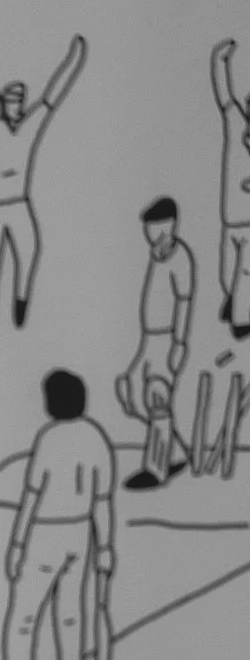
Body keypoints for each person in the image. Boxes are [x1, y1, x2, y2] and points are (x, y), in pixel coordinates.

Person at [0, 366, 118, 660]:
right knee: (70, 614)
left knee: (24, 616)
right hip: (81, 534)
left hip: (47, 532)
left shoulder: (50, 439)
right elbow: (103, 501)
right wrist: (106, 547)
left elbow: (31, 497)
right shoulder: (97, 438)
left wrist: (17, 545)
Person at [0, 26, 86, 326]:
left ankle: (21, 301)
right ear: (4, 103)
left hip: (19, 203)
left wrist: (74, 58)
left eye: (18, 102)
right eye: (9, 102)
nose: (13, 107)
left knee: (29, 250)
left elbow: (52, 97)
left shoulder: (30, 126)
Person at [116, 197, 196, 490]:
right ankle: (175, 452)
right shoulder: (156, 253)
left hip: (167, 339)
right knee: (130, 390)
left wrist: (179, 344)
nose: (151, 234)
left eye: (155, 228)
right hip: (148, 338)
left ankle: (157, 468)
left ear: (170, 225)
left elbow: (184, 303)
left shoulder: (180, 258)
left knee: (157, 397)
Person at [213, 39, 250, 335]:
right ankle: (232, 303)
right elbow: (225, 99)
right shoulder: (237, 125)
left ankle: (242, 321)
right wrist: (221, 60)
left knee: (246, 272)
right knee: (228, 274)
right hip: (231, 219)